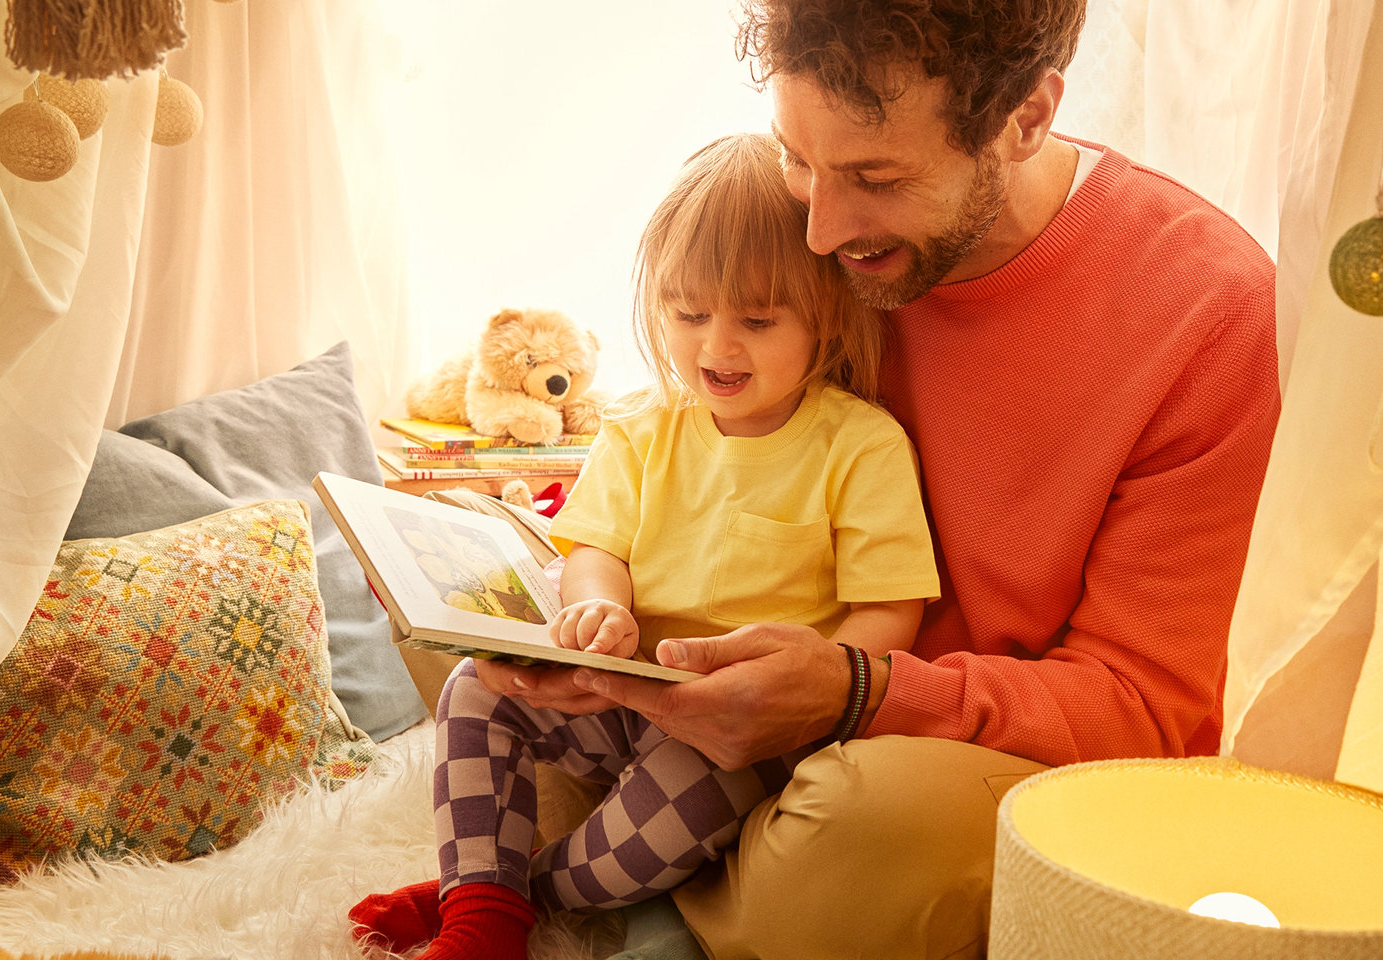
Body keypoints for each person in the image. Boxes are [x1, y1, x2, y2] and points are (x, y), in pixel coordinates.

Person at [484, 3, 1284, 958]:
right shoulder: (814, 221)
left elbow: (1142, 707)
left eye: (873, 178)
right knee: (475, 629)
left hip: (945, 737)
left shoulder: (1210, 313)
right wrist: (571, 629)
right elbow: (686, 451)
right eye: (796, 159)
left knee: (865, 842)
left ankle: (649, 880)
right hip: (732, 676)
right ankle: (670, 854)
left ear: (1026, 119)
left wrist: (859, 692)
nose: (818, 230)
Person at [346, 132, 940, 960]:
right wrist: (596, 605)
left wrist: (810, 694)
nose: (715, 347)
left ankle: (496, 898)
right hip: (623, 690)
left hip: (739, 732)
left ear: (826, 316)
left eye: (757, 320)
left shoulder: (860, 446)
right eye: (688, 314)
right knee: (472, 697)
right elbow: (595, 546)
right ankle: (483, 910)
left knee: (681, 808)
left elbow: (889, 610)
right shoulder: (642, 425)